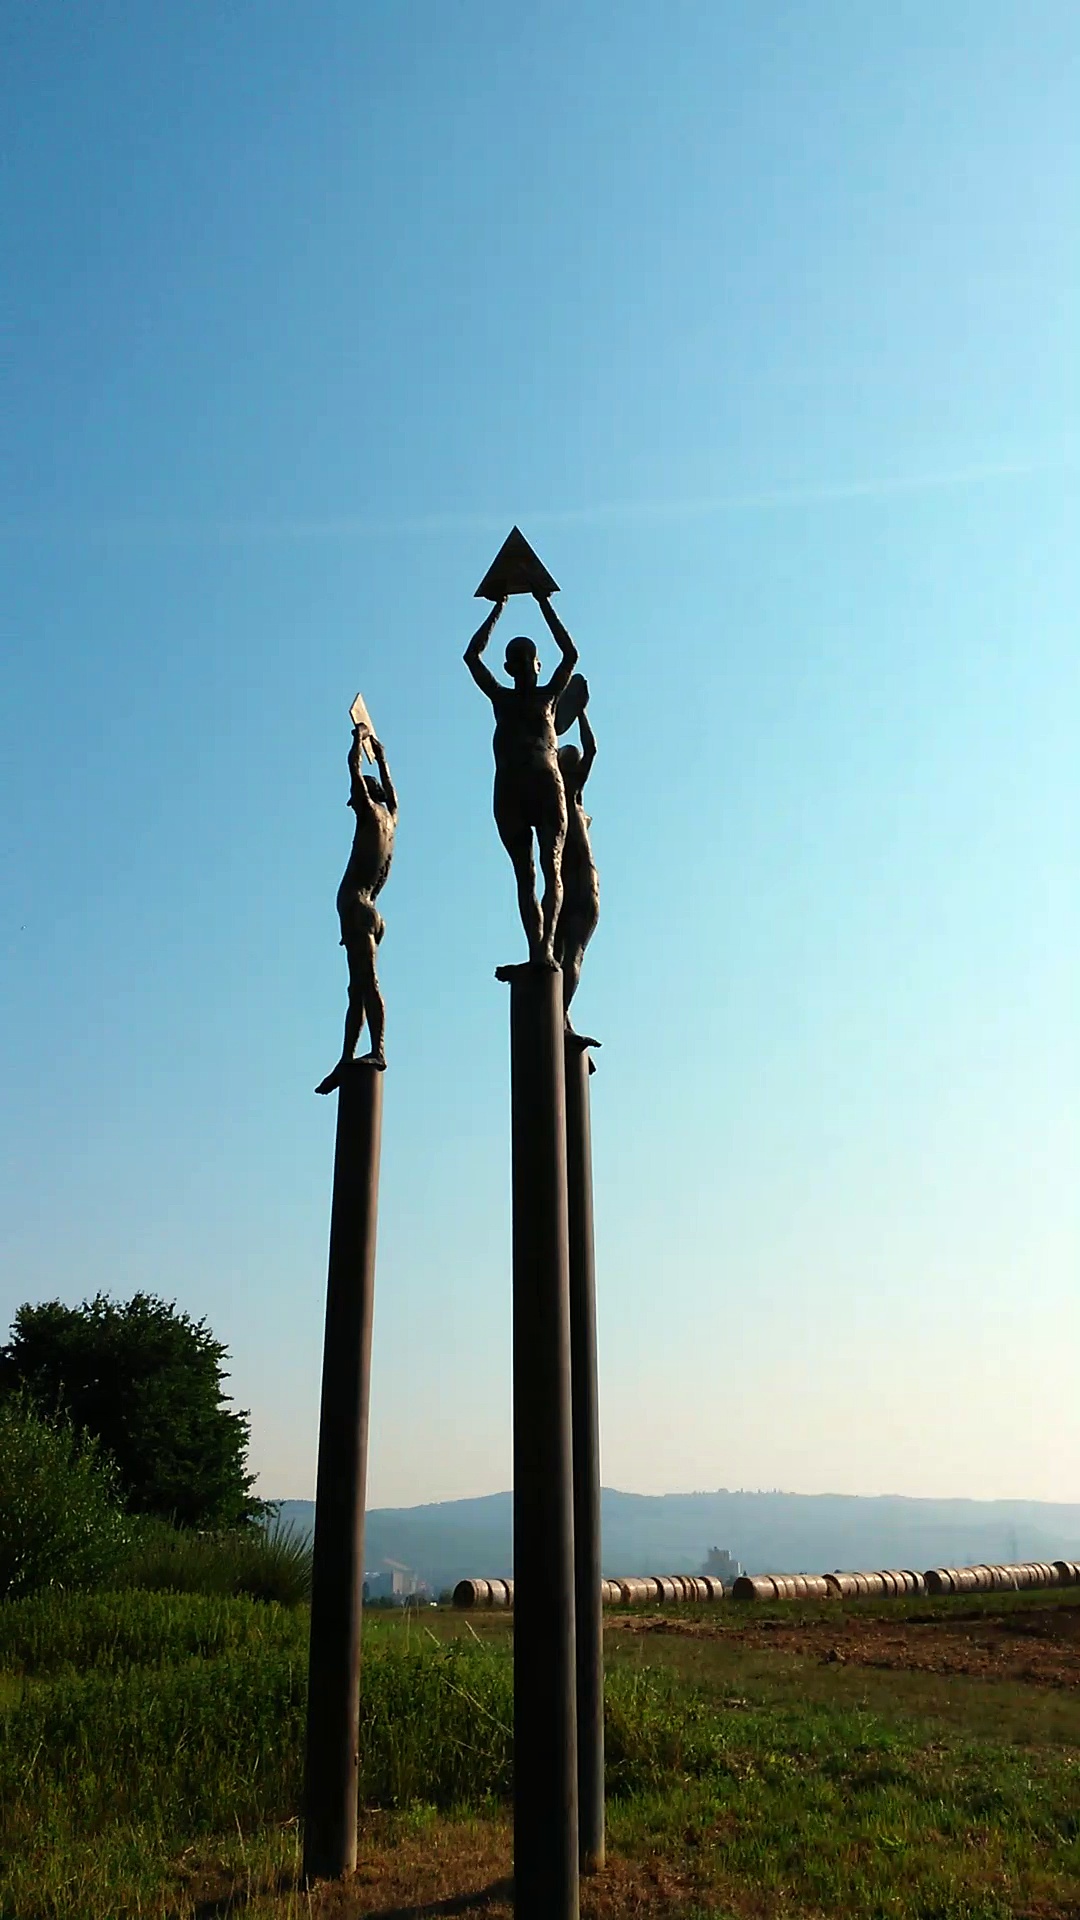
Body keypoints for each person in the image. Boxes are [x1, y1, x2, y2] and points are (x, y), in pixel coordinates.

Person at [464, 589, 578, 965]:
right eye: (521, 660)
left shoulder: (544, 698)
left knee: (544, 869)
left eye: (528, 659)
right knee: (531, 873)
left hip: (538, 785)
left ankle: (544, 950)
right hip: (516, 789)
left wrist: (540, 602)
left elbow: (571, 656)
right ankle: (538, 951)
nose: (527, 666)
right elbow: (471, 657)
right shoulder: (505, 699)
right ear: (511, 668)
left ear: (535, 665)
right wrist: (504, 605)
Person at [316, 728, 397, 1092]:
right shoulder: (391, 818)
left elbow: (352, 768)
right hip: (367, 912)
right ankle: (347, 1057)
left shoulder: (370, 813)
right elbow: (393, 792)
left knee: (367, 984)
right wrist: (381, 756)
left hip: (358, 909)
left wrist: (357, 739)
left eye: (354, 797)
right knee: (357, 989)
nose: (351, 802)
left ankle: (377, 1050)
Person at [555, 691, 599, 1029]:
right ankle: (560, 1016)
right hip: (573, 883)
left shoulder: (569, 796)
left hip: (580, 884)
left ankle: (561, 1016)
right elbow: (591, 750)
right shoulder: (564, 799)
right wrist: (580, 712)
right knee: (563, 954)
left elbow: (591, 750)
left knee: (568, 954)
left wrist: (580, 711)